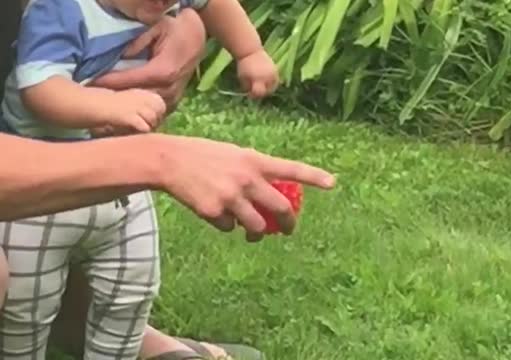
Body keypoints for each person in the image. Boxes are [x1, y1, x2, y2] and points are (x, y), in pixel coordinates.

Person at [0, 1, 335, 359]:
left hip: (120, 179)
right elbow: (40, 89)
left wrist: (246, 49)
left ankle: (121, 344)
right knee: (24, 306)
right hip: (43, 179)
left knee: (132, 284)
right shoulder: (60, 10)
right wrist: (115, 114)